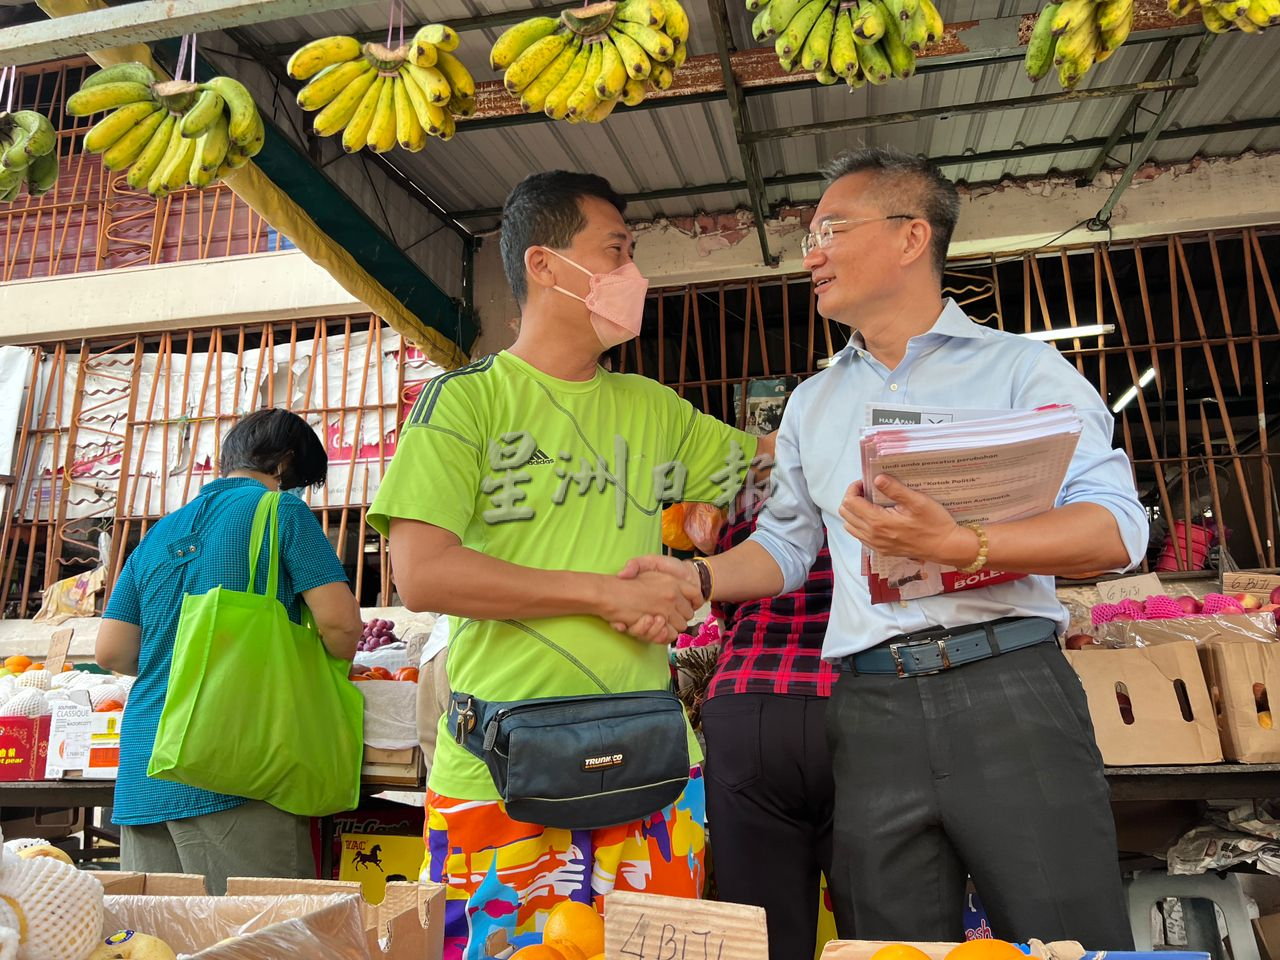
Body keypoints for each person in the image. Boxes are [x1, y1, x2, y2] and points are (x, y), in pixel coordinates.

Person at [621, 147, 1147, 947]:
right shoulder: (813, 403)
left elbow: (1116, 531)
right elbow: (786, 548)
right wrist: (698, 579)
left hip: (1008, 689)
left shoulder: (1022, 371)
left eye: (832, 228)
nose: (813, 253)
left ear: (911, 238)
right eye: (810, 235)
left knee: (1064, 931)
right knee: (887, 940)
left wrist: (965, 542)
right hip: (867, 710)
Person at [367, 171, 771, 958]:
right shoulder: (465, 403)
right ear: (545, 266)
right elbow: (423, 574)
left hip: (653, 769)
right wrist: (600, 596)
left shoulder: (654, 409)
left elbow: (770, 472)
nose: (634, 275)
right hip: (502, 773)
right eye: (615, 251)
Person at [97, 408, 362, 895]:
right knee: (258, 937)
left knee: (160, 938)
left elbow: (112, 651)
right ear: (283, 465)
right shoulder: (279, 511)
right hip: (238, 765)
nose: (297, 492)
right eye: (300, 481)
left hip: (144, 771)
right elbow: (341, 626)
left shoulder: (159, 532)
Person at [701, 483, 849, 960]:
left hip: (747, 704)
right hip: (853, 700)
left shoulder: (746, 500)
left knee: (763, 937)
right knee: (879, 930)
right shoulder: (865, 491)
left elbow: (724, 604)